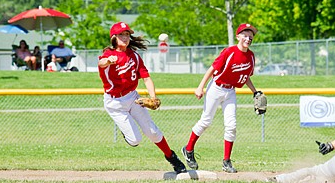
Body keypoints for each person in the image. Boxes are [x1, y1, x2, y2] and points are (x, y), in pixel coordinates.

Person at [98, 22, 186, 174]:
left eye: (127, 34)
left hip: (133, 98)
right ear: (114, 37)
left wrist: (153, 97)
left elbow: (146, 78)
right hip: (114, 103)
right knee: (135, 140)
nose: (125, 38)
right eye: (121, 35)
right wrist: (108, 61)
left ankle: (171, 157)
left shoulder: (135, 57)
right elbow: (101, 62)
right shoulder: (108, 55)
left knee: (153, 132)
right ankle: (127, 133)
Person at [181, 23, 263, 173]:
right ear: (238, 36)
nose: (248, 38)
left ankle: (226, 161)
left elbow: (245, 77)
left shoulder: (250, 56)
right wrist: (200, 87)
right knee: (206, 121)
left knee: (231, 126)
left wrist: (254, 92)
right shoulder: (229, 52)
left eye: (251, 36)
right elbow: (212, 68)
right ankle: (188, 149)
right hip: (216, 88)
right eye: (245, 34)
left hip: (230, 91)